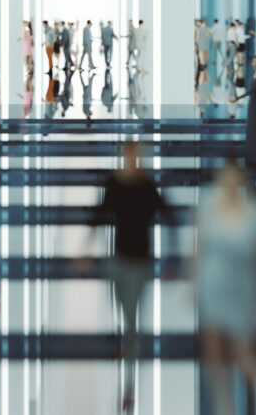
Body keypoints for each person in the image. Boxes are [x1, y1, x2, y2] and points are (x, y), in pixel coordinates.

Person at [86, 142, 174, 413]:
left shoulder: (146, 186)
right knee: (121, 306)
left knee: (132, 314)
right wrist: (85, 246)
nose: (134, 161)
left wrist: (171, 256)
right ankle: (126, 344)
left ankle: (129, 383)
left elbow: (167, 215)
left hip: (139, 261)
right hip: (119, 259)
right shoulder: (116, 182)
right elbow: (100, 214)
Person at [196, 159, 256, 415]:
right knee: (215, 355)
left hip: (241, 289)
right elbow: (200, 249)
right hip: (214, 286)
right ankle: (224, 407)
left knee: (243, 352)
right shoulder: (209, 206)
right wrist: (195, 286)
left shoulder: (254, 212)